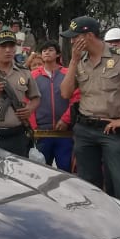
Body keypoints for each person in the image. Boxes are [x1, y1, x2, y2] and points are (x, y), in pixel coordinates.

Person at [60, 17, 120, 208]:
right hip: (85, 128)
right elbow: (65, 93)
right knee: (87, 183)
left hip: (112, 128)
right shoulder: (79, 60)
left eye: (75, 37)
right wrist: (73, 62)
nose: (71, 42)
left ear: (88, 36)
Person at [31, 41, 75, 170]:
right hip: (41, 132)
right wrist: (33, 126)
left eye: (50, 50)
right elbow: (27, 101)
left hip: (65, 132)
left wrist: (66, 119)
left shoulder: (68, 73)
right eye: (44, 50)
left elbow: (75, 99)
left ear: (58, 54)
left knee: (65, 170)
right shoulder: (33, 76)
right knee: (42, 171)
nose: (46, 52)